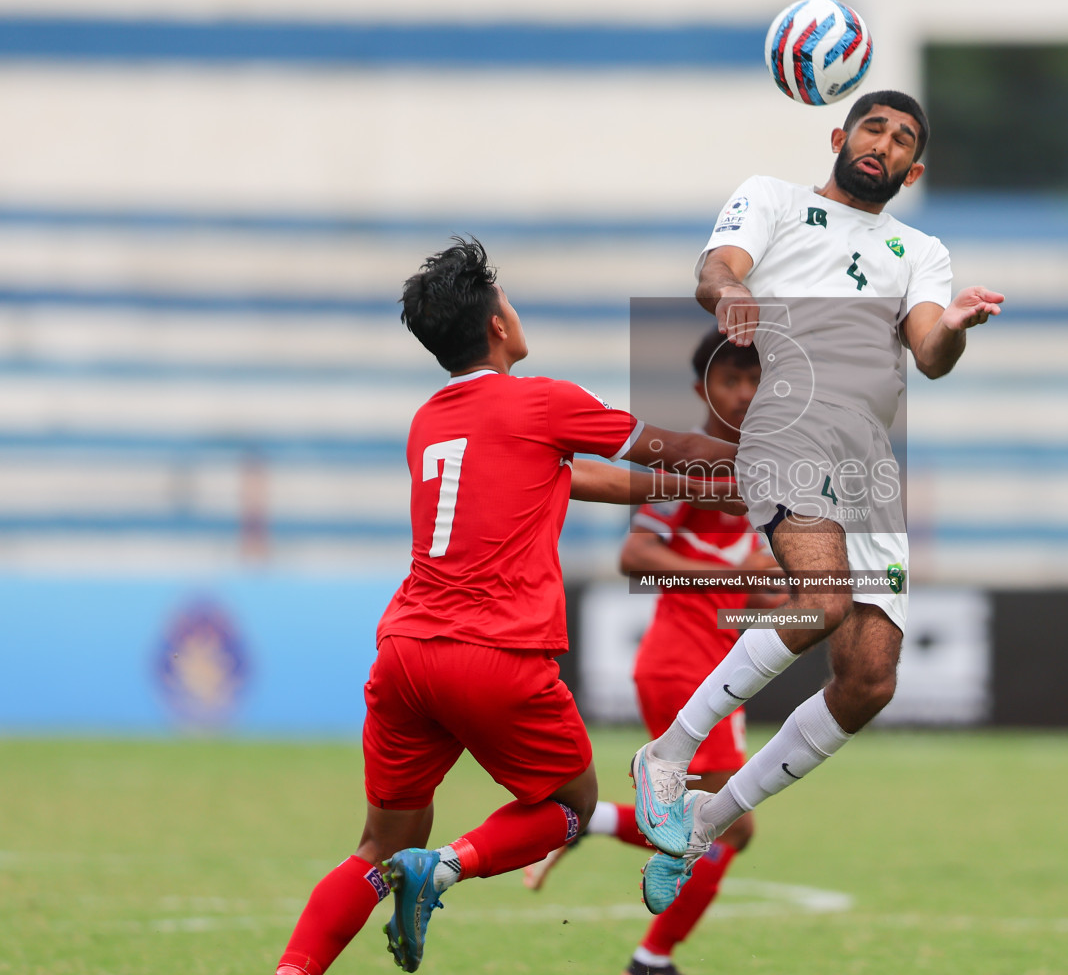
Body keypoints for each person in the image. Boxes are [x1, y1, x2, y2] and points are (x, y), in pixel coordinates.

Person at [271, 237, 741, 975]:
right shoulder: (541, 401)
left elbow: (591, 482)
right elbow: (664, 449)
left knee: (378, 844)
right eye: (510, 305)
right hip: (496, 653)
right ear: (497, 326)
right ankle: (449, 867)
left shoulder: (431, 421)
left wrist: (712, 491)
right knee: (570, 807)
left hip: (405, 655)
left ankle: (292, 969)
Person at [629, 90, 1006, 909]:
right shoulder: (772, 198)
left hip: (868, 460)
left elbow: (931, 353)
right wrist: (728, 292)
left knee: (870, 681)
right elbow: (716, 267)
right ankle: (668, 754)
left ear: (915, 168)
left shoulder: (919, 250)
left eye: (904, 138)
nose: (886, 144)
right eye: (873, 128)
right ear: (840, 135)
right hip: (788, 430)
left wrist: (962, 324)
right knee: (821, 599)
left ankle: (706, 822)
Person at [522, 329, 785, 974]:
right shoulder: (692, 467)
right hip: (683, 664)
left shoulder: (777, 468)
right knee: (728, 826)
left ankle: (599, 837)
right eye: (731, 380)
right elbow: (635, 554)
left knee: (723, 825)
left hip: (720, 662)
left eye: (756, 378)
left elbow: (758, 590)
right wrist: (737, 576)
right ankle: (651, 959)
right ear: (703, 391)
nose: (746, 392)